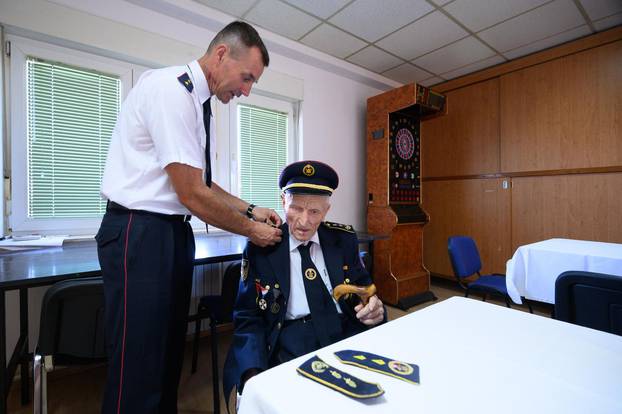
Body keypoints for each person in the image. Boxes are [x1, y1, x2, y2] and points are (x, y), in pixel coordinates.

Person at [96, 21, 282, 413]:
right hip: (139, 233)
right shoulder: (171, 90)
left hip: (171, 234)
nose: (247, 90)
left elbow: (203, 185)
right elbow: (191, 193)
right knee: (139, 364)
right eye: (247, 77)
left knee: (166, 357)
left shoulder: (199, 104)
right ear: (220, 54)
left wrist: (251, 208)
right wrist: (254, 231)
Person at [223, 160, 386, 406]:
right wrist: (252, 374)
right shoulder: (262, 247)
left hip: (343, 331)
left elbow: (365, 291)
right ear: (282, 201)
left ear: (327, 210)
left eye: (314, 212)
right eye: (296, 208)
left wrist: (375, 309)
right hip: (289, 337)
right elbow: (248, 317)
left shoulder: (343, 240)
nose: (303, 221)